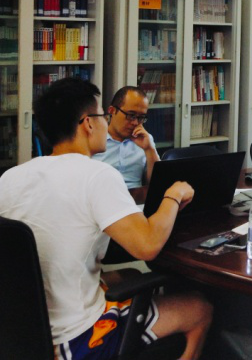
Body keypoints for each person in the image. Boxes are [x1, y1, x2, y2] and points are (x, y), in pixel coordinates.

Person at [0, 78, 212, 359]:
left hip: (23, 332)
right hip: (77, 339)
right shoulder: (97, 175)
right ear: (88, 123)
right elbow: (147, 245)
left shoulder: (10, 177)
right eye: (102, 116)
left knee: (130, 275)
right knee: (199, 307)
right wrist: (173, 195)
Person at [92, 86, 159, 188]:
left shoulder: (145, 140)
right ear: (112, 111)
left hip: (135, 197)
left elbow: (157, 183)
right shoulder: (94, 140)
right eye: (131, 115)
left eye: (141, 117)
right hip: (104, 195)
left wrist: (149, 149)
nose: (135, 122)